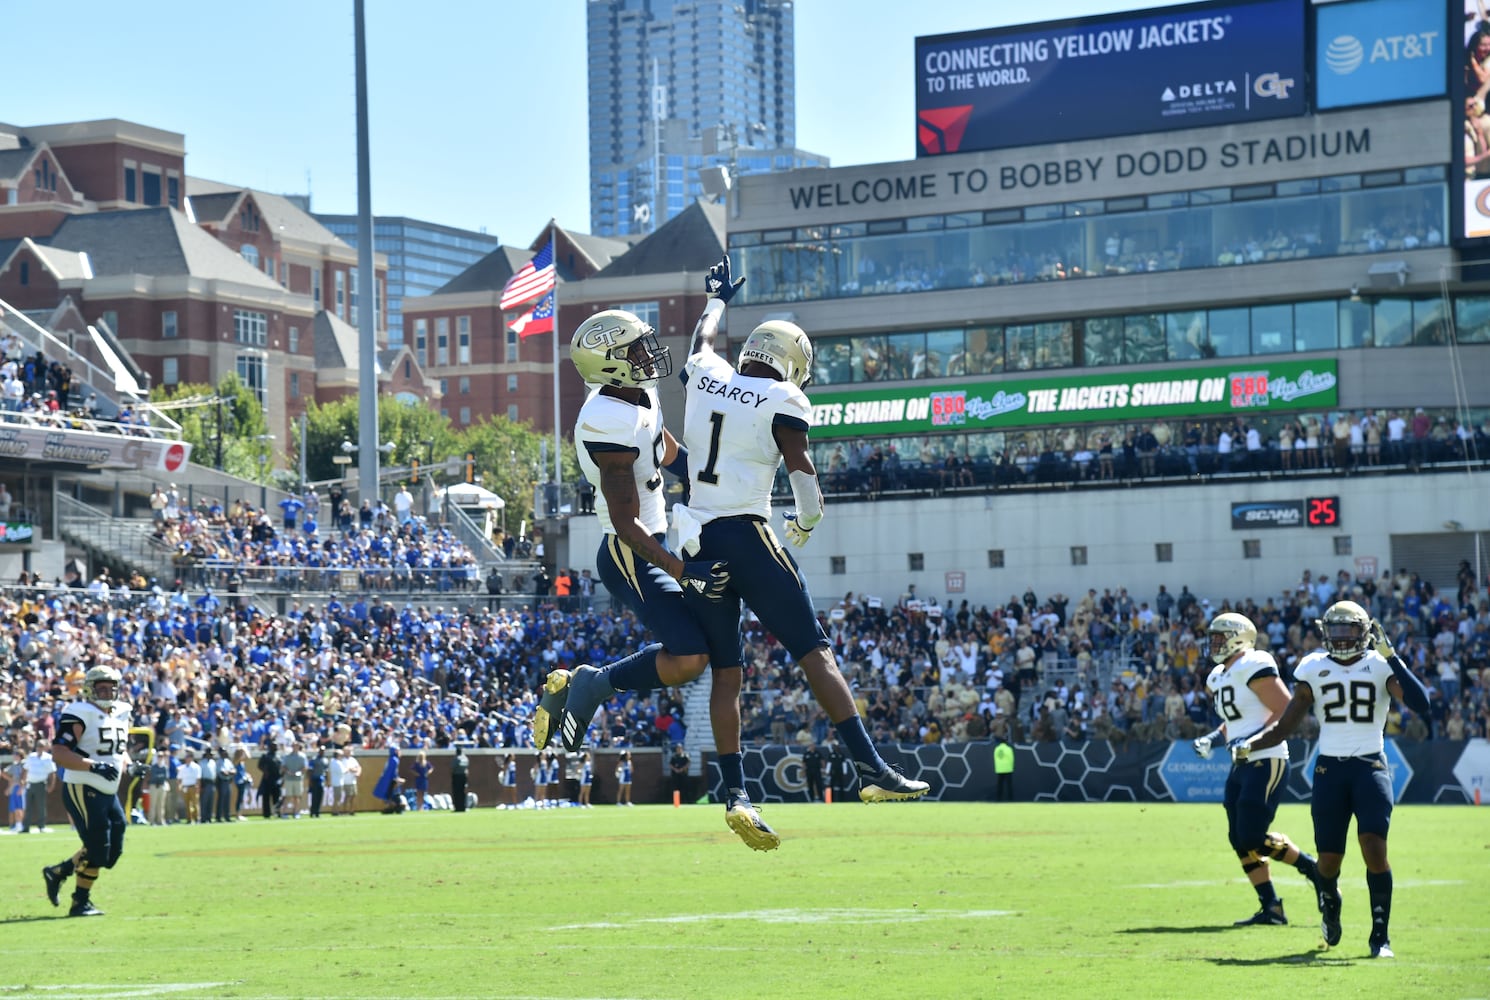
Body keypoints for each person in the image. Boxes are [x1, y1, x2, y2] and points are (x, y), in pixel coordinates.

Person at [673, 255, 931, 808]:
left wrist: (717, 299)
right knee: (816, 653)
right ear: (792, 363)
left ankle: (736, 793)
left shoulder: (706, 375)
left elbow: (702, 339)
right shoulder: (786, 398)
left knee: (726, 673)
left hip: (695, 540)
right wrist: (808, 519)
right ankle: (870, 767)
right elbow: (802, 472)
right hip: (747, 534)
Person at [533, 305, 754, 843]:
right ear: (610, 364)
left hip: (664, 539)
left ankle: (593, 683)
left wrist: (714, 479)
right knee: (691, 659)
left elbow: (666, 449)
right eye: (635, 348)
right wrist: (684, 573)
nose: (647, 355)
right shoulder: (606, 422)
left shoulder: (638, 396)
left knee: (699, 658)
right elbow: (626, 523)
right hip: (635, 551)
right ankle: (592, 684)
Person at [1235, 601, 1432, 958]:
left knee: (1374, 847)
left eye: (1348, 630)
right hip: (1329, 771)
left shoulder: (1379, 664)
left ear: (1365, 633)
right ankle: (1330, 899)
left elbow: (1422, 704)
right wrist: (1254, 744)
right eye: (1335, 630)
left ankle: (1380, 937)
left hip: (1369, 765)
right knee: (1329, 860)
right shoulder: (1312, 666)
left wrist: (1394, 658)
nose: (1341, 638)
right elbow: (1289, 722)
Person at [1191, 613, 1323, 927]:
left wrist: (1252, 742)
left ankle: (1314, 870)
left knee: (1249, 834)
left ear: (1239, 637)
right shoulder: (1219, 675)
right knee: (1239, 838)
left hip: (1267, 758)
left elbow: (1285, 708)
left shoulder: (1253, 663)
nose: (1214, 643)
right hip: (1241, 761)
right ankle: (1271, 907)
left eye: (1219, 637)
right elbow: (1236, 720)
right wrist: (1213, 738)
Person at [42, 666, 133, 917]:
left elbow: (117, 749)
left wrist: (131, 765)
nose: (106, 692)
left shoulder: (122, 711)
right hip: (83, 786)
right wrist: (94, 766)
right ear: (89, 689)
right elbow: (60, 753)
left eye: (110, 687)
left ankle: (59, 871)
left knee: (111, 852)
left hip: (107, 789)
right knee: (97, 848)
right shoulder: (80, 712)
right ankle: (80, 902)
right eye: (100, 687)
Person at [22, 740, 57, 833]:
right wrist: (24, 780)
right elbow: (25, 769)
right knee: (28, 806)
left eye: (41, 746)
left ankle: (41, 826)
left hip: (41, 784)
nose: (39, 748)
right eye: (38, 746)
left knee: (41, 806)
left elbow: (52, 773)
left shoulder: (48, 758)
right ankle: (26, 827)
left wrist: (51, 785)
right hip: (30, 783)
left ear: (44, 747)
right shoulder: (31, 756)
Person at [993, 737, 1015, 802]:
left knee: (999, 785)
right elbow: (1012, 759)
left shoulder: (996, 749)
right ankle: (1010, 799)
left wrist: (997, 767)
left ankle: (998, 799)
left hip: (999, 769)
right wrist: (1012, 767)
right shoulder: (1009, 749)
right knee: (1009, 785)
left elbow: (995, 758)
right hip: (1008, 769)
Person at [450, 745, 469, 813]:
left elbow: (452, 767)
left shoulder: (456, 759)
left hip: (457, 776)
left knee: (457, 793)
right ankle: (463, 806)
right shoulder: (465, 758)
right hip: (464, 776)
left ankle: (458, 807)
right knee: (463, 792)